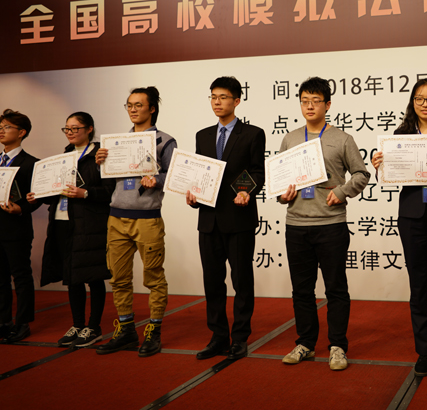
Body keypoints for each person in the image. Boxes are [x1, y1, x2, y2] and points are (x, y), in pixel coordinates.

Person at [370, 78, 427, 378]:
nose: (426, 104)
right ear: (412, 102)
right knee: (418, 285)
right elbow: (391, 174)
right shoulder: (400, 135)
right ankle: (423, 351)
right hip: (411, 215)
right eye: (420, 98)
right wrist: (379, 164)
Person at [278, 77, 370, 371]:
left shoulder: (342, 139)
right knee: (301, 290)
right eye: (304, 101)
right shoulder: (290, 139)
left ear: (328, 105)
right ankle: (305, 343)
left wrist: (342, 192)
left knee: (336, 289)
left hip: (331, 224)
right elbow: (280, 181)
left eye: (315, 101)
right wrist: (282, 195)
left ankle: (337, 346)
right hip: (296, 224)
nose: (309, 106)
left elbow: (361, 174)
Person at [95, 87, 177, 357]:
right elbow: (110, 178)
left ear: (152, 108)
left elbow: (174, 175)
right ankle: (126, 329)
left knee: (153, 278)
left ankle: (153, 331)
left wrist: (157, 179)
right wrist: (101, 162)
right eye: (129, 105)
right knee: (118, 278)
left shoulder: (165, 141)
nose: (133, 109)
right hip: (116, 217)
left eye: (139, 105)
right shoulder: (117, 142)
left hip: (147, 219)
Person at [187, 77, 265, 361]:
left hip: (239, 217)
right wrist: (193, 194)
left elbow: (257, 171)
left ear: (237, 101)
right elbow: (200, 173)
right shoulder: (203, 135)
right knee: (212, 281)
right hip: (208, 219)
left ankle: (240, 337)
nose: (217, 102)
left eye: (223, 97)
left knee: (241, 280)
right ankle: (218, 336)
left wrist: (246, 192)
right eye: (213, 97)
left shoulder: (253, 134)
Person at [28, 112, 114, 347]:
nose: (70, 133)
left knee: (93, 276)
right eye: (67, 128)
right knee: (72, 276)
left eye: (75, 128)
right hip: (62, 221)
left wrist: (85, 193)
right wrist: (39, 196)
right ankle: (77, 324)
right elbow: (56, 193)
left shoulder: (100, 155)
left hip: (90, 225)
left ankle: (94, 327)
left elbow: (110, 192)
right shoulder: (64, 157)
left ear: (89, 129)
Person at [0, 109, 40, 343]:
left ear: (22, 132)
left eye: (7, 127)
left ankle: (23, 323)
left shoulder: (31, 163)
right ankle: (3, 321)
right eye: (0, 127)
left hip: (16, 228)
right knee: (0, 278)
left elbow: (38, 196)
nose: (2, 131)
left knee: (21, 275)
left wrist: (22, 207)